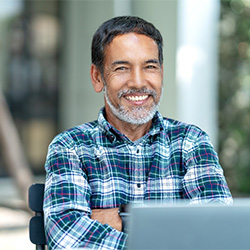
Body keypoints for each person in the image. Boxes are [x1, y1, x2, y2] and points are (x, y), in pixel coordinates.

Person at [43, 16, 232, 250]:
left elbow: (218, 233)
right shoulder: (70, 147)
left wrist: (122, 220)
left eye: (149, 67)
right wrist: (172, 237)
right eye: (122, 68)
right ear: (97, 77)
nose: (138, 81)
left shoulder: (191, 143)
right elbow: (68, 238)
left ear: (161, 73)